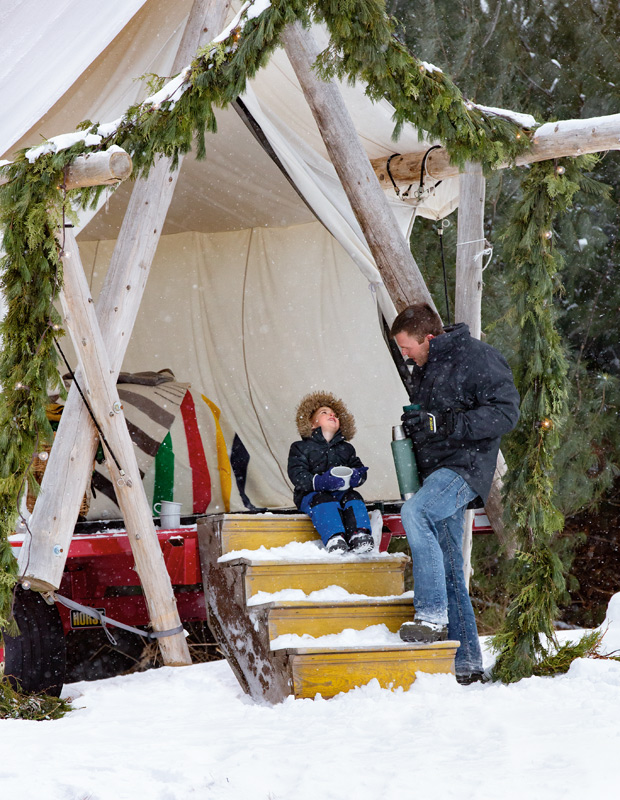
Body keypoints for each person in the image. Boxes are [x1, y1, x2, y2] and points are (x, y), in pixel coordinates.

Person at [391, 303, 520, 684]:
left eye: (406, 347)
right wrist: (419, 426)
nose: (404, 354)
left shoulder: (477, 356)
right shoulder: (427, 365)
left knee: (416, 513)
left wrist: (445, 422)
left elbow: (506, 413)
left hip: (466, 466)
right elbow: (437, 422)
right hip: (437, 471)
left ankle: (431, 615)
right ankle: (467, 665)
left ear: (427, 338)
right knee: (449, 567)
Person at [287, 391, 373, 555]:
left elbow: (358, 467)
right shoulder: (300, 447)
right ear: (312, 423)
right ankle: (335, 537)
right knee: (323, 498)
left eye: (335, 414)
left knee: (353, 497)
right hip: (311, 496)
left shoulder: (346, 448)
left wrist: (357, 476)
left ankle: (359, 534)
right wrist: (319, 482)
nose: (332, 415)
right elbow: (297, 474)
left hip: (341, 493)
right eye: (324, 413)